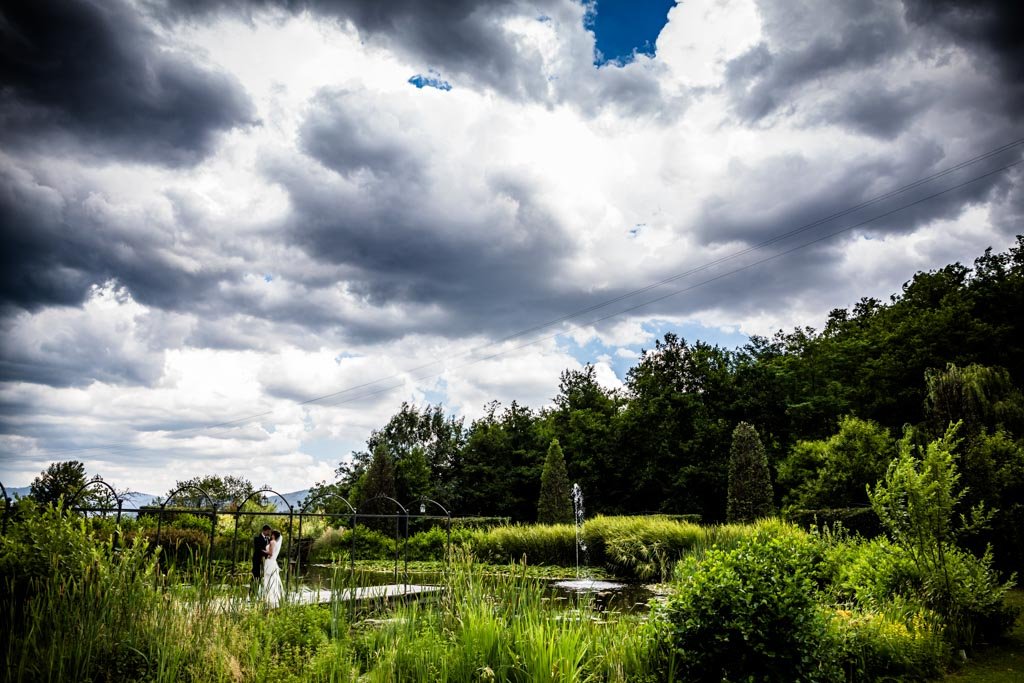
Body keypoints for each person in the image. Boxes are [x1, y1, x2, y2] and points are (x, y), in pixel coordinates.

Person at [262, 530, 284, 608]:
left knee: (268, 579)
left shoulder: (272, 542)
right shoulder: (275, 543)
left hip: (269, 561)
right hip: (273, 562)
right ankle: (274, 596)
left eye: (272, 534)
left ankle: (268, 596)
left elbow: (270, 554)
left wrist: (263, 551)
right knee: (273, 579)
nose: (271, 535)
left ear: (274, 535)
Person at [251, 525, 271, 596]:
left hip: (266, 560)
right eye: (268, 531)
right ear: (264, 530)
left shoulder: (269, 539)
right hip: (257, 559)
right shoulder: (257, 538)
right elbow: (258, 549)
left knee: (264, 575)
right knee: (256, 574)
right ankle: (253, 591)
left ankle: (261, 590)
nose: (269, 532)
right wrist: (267, 553)